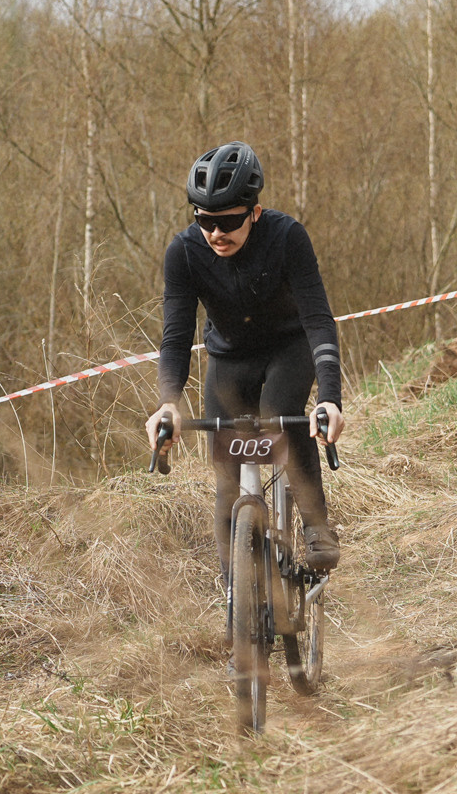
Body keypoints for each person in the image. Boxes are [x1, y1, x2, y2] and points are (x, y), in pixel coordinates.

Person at [143, 143, 346, 576]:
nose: (216, 233)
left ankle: (316, 527)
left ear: (254, 212)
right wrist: (167, 403)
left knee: (278, 416)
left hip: (288, 349)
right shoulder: (183, 253)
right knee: (227, 473)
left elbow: (318, 319)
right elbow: (176, 336)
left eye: (229, 221)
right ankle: (237, 594)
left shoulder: (287, 237)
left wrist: (329, 398)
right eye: (205, 220)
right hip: (229, 360)